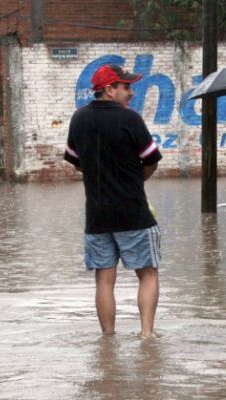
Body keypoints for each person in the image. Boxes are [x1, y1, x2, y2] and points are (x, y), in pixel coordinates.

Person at [64, 64, 162, 337]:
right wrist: (133, 181)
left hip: (96, 216)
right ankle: (146, 334)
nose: (131, 93)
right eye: (126, 86)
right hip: (134, 212)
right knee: (148, 274)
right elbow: (152, 161)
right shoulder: (130, 120)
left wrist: (102, 177)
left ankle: (108, 338)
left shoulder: (79, 119)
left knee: (104, 281)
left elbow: (76, 163)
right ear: (109, 89)